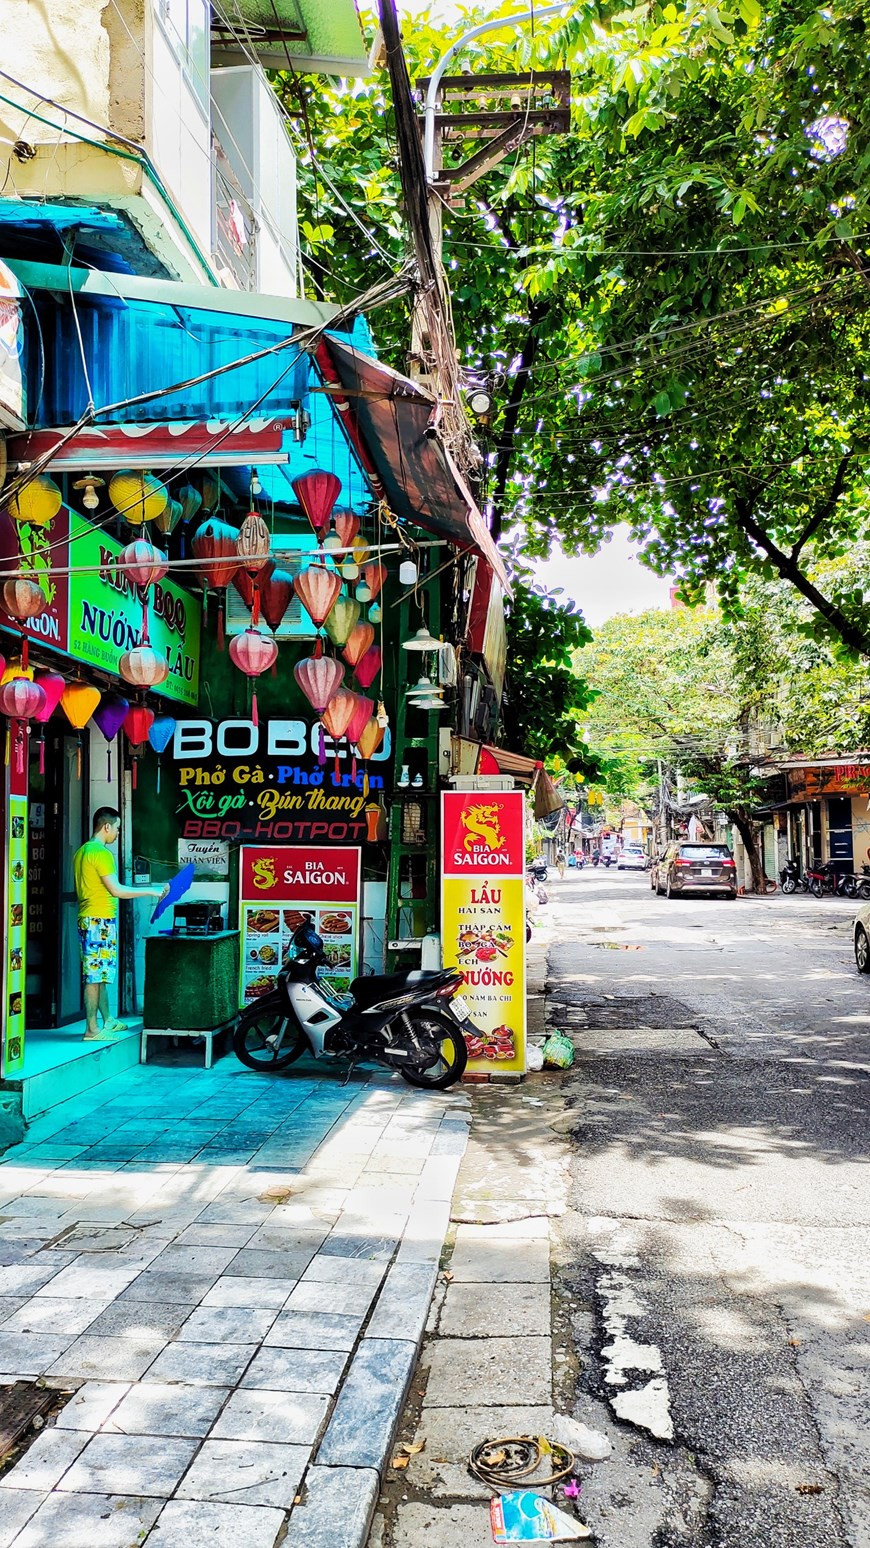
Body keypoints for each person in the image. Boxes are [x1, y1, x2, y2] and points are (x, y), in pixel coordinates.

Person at [73, 807, 168, 1041]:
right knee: (94, 977)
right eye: (116, 828)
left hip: (91, 918)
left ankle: (108, 1020)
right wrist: (152, 892)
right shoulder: (102, 854)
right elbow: (116, 890)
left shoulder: (82, 852)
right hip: (98, 920)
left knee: (99, 974)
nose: (117, 833)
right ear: (106, 827)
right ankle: (92, 1030)